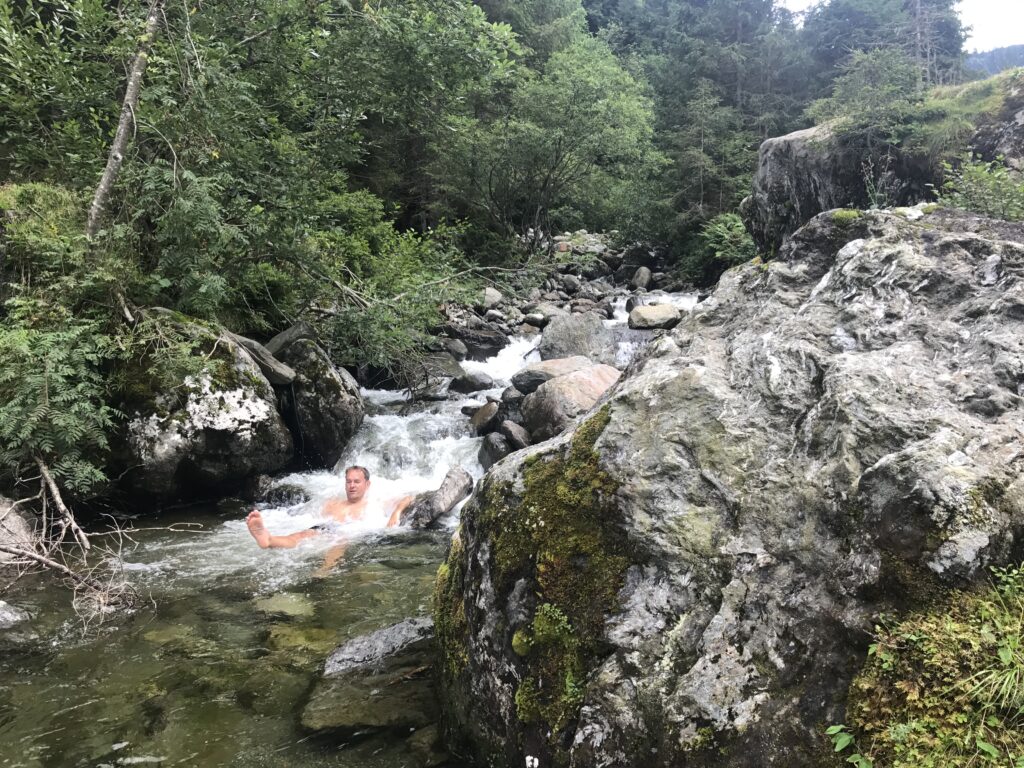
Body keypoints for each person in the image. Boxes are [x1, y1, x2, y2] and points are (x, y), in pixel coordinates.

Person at [245, 465, 413, 549]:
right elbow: (304, 514)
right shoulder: (334, 502)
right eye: (348, 482)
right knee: (301, 534)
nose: (352, 486)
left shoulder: (375, 502)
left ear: (367, 484)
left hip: (347, 533)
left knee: (338, 543)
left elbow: (409, 497)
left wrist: (396, 513)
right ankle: (268, 539)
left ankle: (322, 574)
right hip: (327, 527)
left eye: (356, 482)